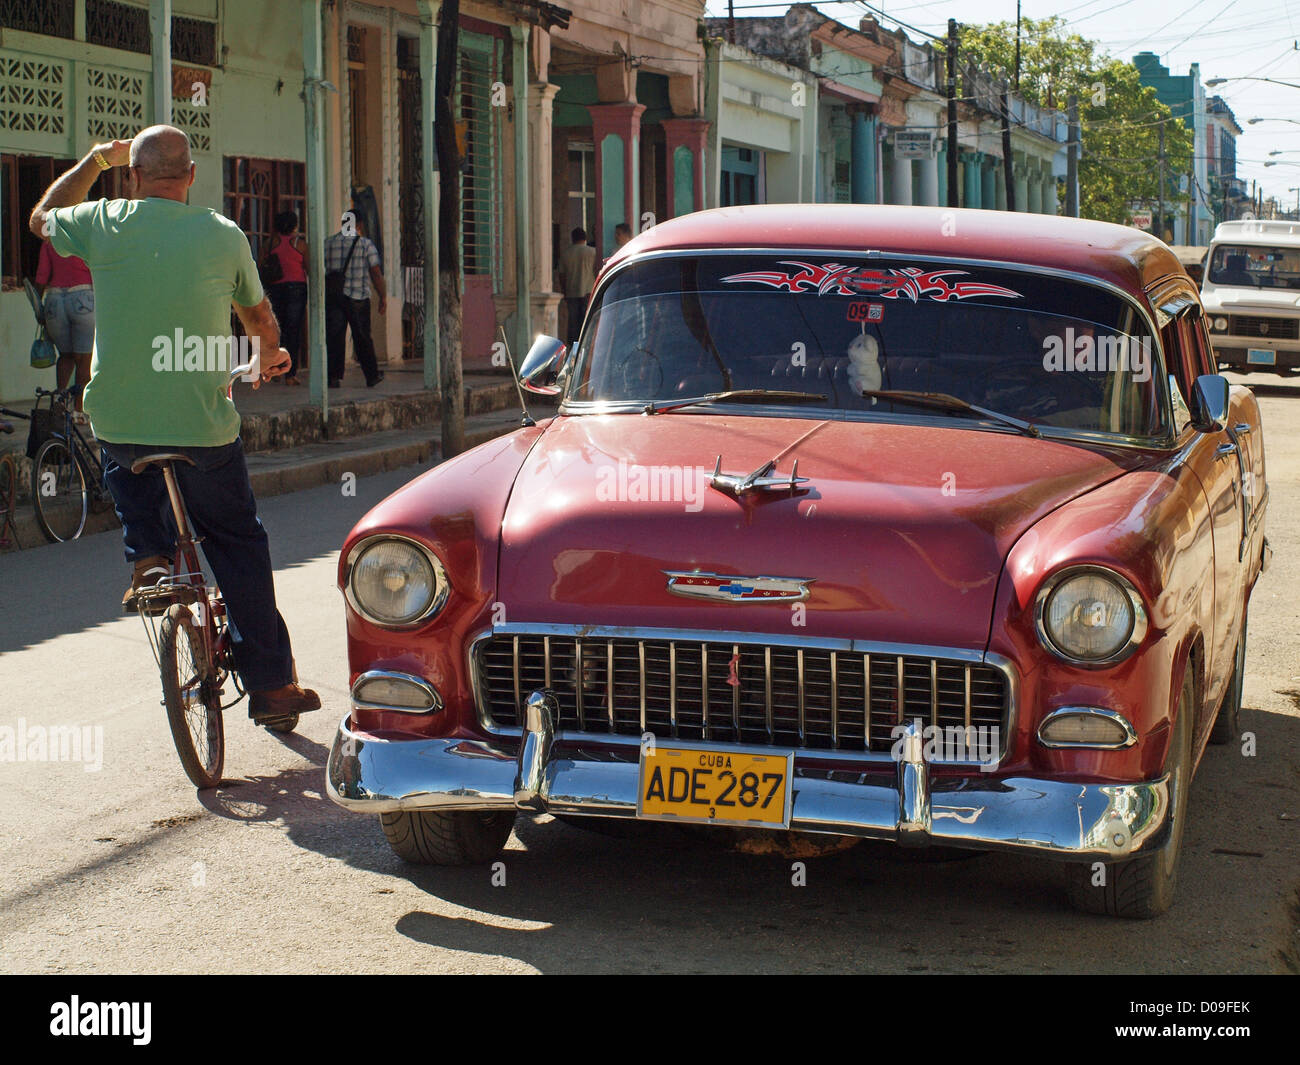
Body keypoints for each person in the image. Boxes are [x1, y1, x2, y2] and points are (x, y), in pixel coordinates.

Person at [29, 125, 320, 723]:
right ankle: (270, 687)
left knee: (123, 454)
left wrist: (92, 162)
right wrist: (267, 355)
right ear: (190, 177)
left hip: (121, 423)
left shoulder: (106, 220)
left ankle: (149, 557)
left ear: (133, 178)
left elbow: (44, 216)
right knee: (238, 544)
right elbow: (260, 316)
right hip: (204, 429)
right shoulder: (221, 234)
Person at [324, 211, 386, 388]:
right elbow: (375, 273)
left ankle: (333, 376)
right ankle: (371, 375)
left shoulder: (328, 243)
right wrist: (383, 296)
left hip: (334, 297)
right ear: (359, 224)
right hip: (358, 297)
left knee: (334, 337)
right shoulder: (365, 244)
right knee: (362, 337)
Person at [35, 239, 95, 418]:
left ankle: (60, 406)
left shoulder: (50, 241)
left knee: (66, 355)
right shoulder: (84, 239)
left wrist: (39, 308)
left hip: (54, 300)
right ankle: (78, 411)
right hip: (83, 297)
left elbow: (41, 276)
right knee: (84, 359)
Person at [262, 210, 308, 385]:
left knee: (276, 331)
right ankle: (291, 374)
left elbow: (261, 266)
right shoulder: (300, 244)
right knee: (293, 331)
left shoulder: (269, 244)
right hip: (296, 289)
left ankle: (275, 371)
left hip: (274, 289)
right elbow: (309, 268)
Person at [559, 226, 596, 347]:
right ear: (585, 238)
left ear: (572, 238)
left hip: (571, 292)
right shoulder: (593, 252)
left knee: (573, 321)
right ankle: (586, 344)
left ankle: (573, 347)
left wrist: (564, 291)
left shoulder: (566, 254)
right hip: (588, 291)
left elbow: (562, 275)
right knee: (587, 319)